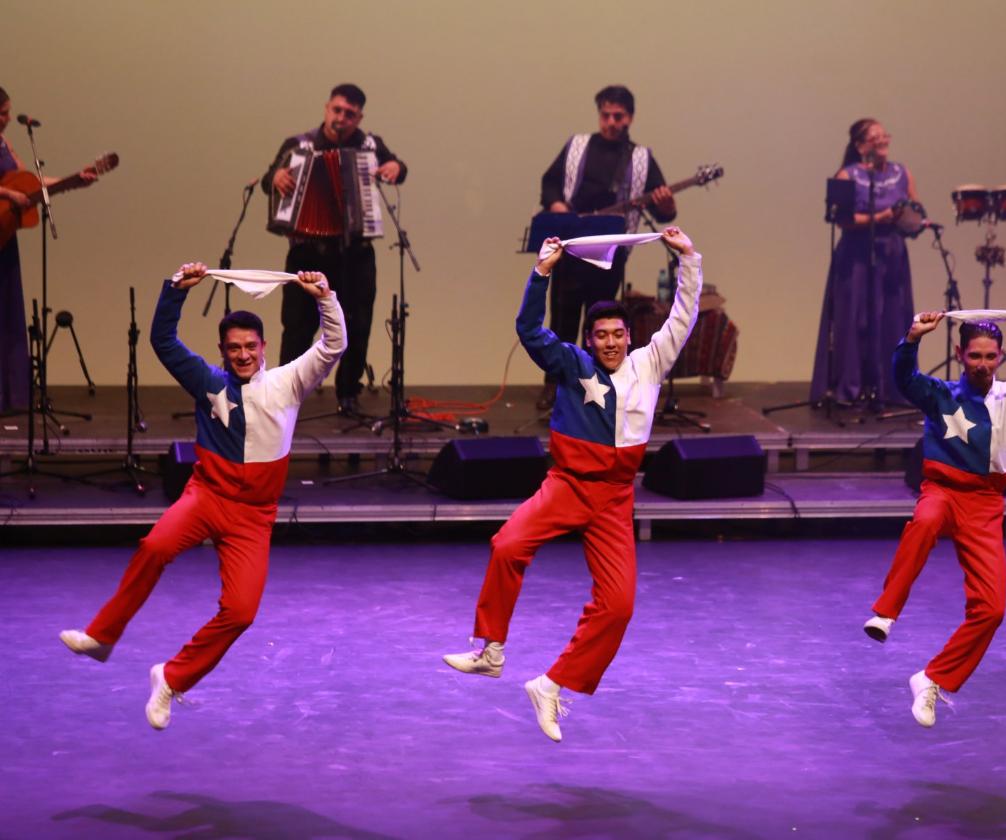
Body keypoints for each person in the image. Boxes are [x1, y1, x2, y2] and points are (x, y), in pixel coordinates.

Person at [60, 263, 345, 730]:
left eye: (250, 347)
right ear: (222, 351)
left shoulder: (289, 382)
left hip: (253, 517)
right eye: (234, 348)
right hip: (207, 496)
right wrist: (175, 289)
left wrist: (324, 298)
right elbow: (164, 342)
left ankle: (170, 679)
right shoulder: (207, 380)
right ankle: (103, 636)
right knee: (154, 546)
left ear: (264, 348)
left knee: (241, 611)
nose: (243, 355)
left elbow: (333, 345)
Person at [443, 227, 701, 742]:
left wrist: (688, 259)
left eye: (617, 335)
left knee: (620, 604)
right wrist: (542, 272)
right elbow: (528, 329)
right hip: (567, 485)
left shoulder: (650, 364)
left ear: (629, 336)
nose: (609, 342)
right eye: (600, 335)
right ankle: (490, 651)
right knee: (507, 543)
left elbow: (683, 316)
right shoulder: (571, 364)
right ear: (589, 339)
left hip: (614, 500)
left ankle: (553, 685)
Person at [863, 309, 1006, 727]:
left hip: (985, 505)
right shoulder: (940, 394)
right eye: (975, 356)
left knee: (992, 610)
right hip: (942, 491)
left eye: (990, 357)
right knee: (924, 522)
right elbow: (903, 377)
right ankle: (886, 613)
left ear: (1000, 356)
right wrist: (911, 338)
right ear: (961, 354)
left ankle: (931, 680)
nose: (982, 364)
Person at [262, 83, 405, 415]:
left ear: (359, 117)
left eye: (350, 114)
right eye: (337, 110)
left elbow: (398, 168)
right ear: (327, 108)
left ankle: (348, 392)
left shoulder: (371, 145)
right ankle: (287, 393)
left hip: (355, 252)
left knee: (357, 323)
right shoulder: (299, 145)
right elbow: (271, 177)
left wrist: (395, 167)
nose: (341, 118)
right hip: (307, 252)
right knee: (297, 324)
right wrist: (278, 176)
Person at [536, 85, 676, 410]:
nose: (611, 122)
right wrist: (558, 208)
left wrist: (667, 205)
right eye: (606, 115)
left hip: (610, 255)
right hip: (572, 248)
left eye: (618, 116)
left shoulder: (641, 158)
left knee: (601, 323)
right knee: (562, 321)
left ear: (630, 118)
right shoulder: (577, 146)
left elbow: (663, 211)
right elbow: (549, 182)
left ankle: (595, 389)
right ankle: (554, 387)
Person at [811, 118, 918, 410]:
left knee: (892, 319)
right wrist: (881, 217)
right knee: (853, 320)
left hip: (892, 254)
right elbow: (842, 220)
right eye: (875, 137)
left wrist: (915, 221)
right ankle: (851, 387)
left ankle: (892, 387)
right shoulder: (847, 176)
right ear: (860, 146)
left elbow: (913, 211)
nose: (883, 140)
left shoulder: (902, 173)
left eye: (885, 135)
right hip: (856, 255)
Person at [0, 87, 96, 412]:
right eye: (2, 113)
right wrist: (8, 196)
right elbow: (13, 192)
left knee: (7, 318)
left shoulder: (5, 143)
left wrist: (70, 182)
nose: (8, 119)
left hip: (3, 238)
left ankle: (9, 398)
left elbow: (27, 182)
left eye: (9, 112)